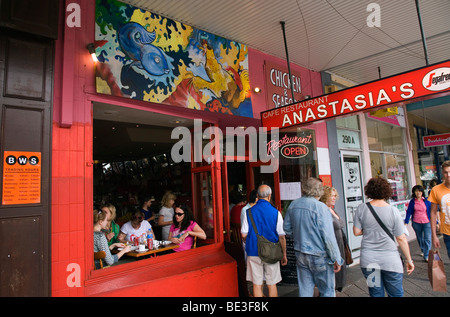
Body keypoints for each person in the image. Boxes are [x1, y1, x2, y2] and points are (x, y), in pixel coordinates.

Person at [353, 177, 414, 297]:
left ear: (368, 190)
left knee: (375, 293)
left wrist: (370, 230)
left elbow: (356, 232)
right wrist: (409, 260)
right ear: (386, 191)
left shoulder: (362, 208)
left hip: (369, 261)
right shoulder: (393, 211)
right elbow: (401, 238)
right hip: (390, 261)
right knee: (395, 294)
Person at [284, 177, 343, 297]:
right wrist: (336, 258)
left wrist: (299, 236)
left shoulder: (293, 204)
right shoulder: (321, 207)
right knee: (327, 291)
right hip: (320, 255)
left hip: (300, 253)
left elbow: (287, 228)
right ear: (319, 190)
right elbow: (328, 237)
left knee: (305, 290)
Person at [241, 184, 287, 297]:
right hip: (271, 252)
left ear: (257, 195)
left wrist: (249, 241)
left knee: (257, 284)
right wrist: (284, 254)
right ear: (269, 196)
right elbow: (281, 236)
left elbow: (243, 234)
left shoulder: (249, 212)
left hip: (253, 251)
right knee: (272, 284)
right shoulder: (276, 213)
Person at [319, 186, 347, 292]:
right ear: (325, 196)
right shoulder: (323, 211)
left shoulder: (332, 210)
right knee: (332, 275)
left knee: (340, 274)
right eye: (332, 196)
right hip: (331, 246)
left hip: (340, 245)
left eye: (335, 196)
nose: (334, 198)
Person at [404, 185, 431, 261]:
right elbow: (409, 212)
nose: (418, 193)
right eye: (416, 191)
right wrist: (406, 222)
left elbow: (432, 211)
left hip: (427, 222)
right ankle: (423, 249)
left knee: (427, 239)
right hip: (416, 222)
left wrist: (436, 222)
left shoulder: (427, 201)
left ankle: (427, 255)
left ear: (422, 192)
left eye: (419, 191)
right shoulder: (412, 202)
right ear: (414, 192)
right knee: (420, 238)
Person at [429, 161, 450, 259]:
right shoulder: (436, 190)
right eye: (446, 172)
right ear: (442, 173)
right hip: (447, 233)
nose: (448, 175)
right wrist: (434, 235)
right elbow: (433, 213)